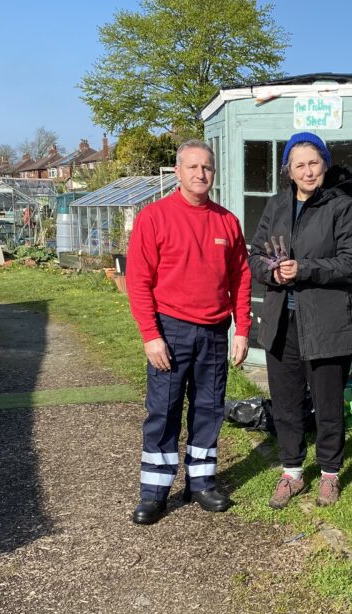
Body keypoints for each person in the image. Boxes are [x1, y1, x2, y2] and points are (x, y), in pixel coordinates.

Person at [125, 139, 252, 525]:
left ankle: (201, 483)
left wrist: (241, 329)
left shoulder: (227, 222)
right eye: (193, 167)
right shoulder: (154, 217)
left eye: (207, 167)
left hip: (214, 332)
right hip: (170, 330)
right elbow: (138, 280)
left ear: (214, 173)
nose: (201, 174)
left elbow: (241, 277)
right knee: (163, 412)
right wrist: (151, 334)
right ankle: (155, 492)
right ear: (177, 172)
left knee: (209, 409)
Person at [248, 132, 352, 509]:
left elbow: (351, 262)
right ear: (289, 170)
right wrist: (273, 273)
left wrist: (304, 269)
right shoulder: (277, 205)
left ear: (325, 164)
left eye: (313, 163)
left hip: (327, 321)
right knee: (285, 402)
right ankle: (293, 472)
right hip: (281, 321)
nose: (307, 171)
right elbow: (255, 256)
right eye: (299, 164)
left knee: (328, 402)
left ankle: (330, 473)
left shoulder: (342, 207)